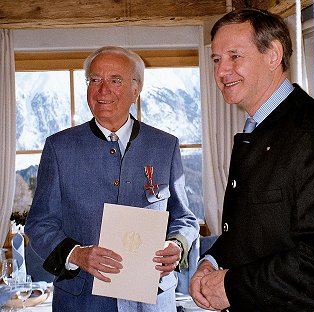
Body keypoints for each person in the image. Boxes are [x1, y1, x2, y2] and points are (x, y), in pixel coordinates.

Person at [189, 8, 314, 312]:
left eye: (235, 56)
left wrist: (232, 287)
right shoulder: (261, 126)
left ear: (273, 54)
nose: (221, 71)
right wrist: (212, 261)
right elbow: (255, 230)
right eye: (217, 60)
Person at [25, 46, 199, 312]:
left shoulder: (165, 146)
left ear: (135, 89)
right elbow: (38, 224)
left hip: (152, 301)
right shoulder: (59, 147)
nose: (102, 89)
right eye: (95, 80)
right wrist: (76, 254)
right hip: (81, 302)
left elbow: (184, 218)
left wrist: (177, 244)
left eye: (115, 80)